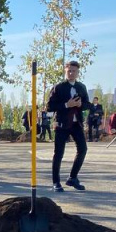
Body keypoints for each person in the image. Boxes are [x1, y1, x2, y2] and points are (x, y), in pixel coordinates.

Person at [46, 60, 91, 192]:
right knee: (59, 153)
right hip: (62, 123)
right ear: (65, 71)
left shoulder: (81, 87)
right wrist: (67, 105)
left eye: (74, 71)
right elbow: (49, 107)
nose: (71, 73)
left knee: (83, 149)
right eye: (69, 71)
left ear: (78, 72)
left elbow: (87, 105)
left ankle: (73, 177)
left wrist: (80, 105)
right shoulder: (58, 87)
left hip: (76, 123)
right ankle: (56, 182)